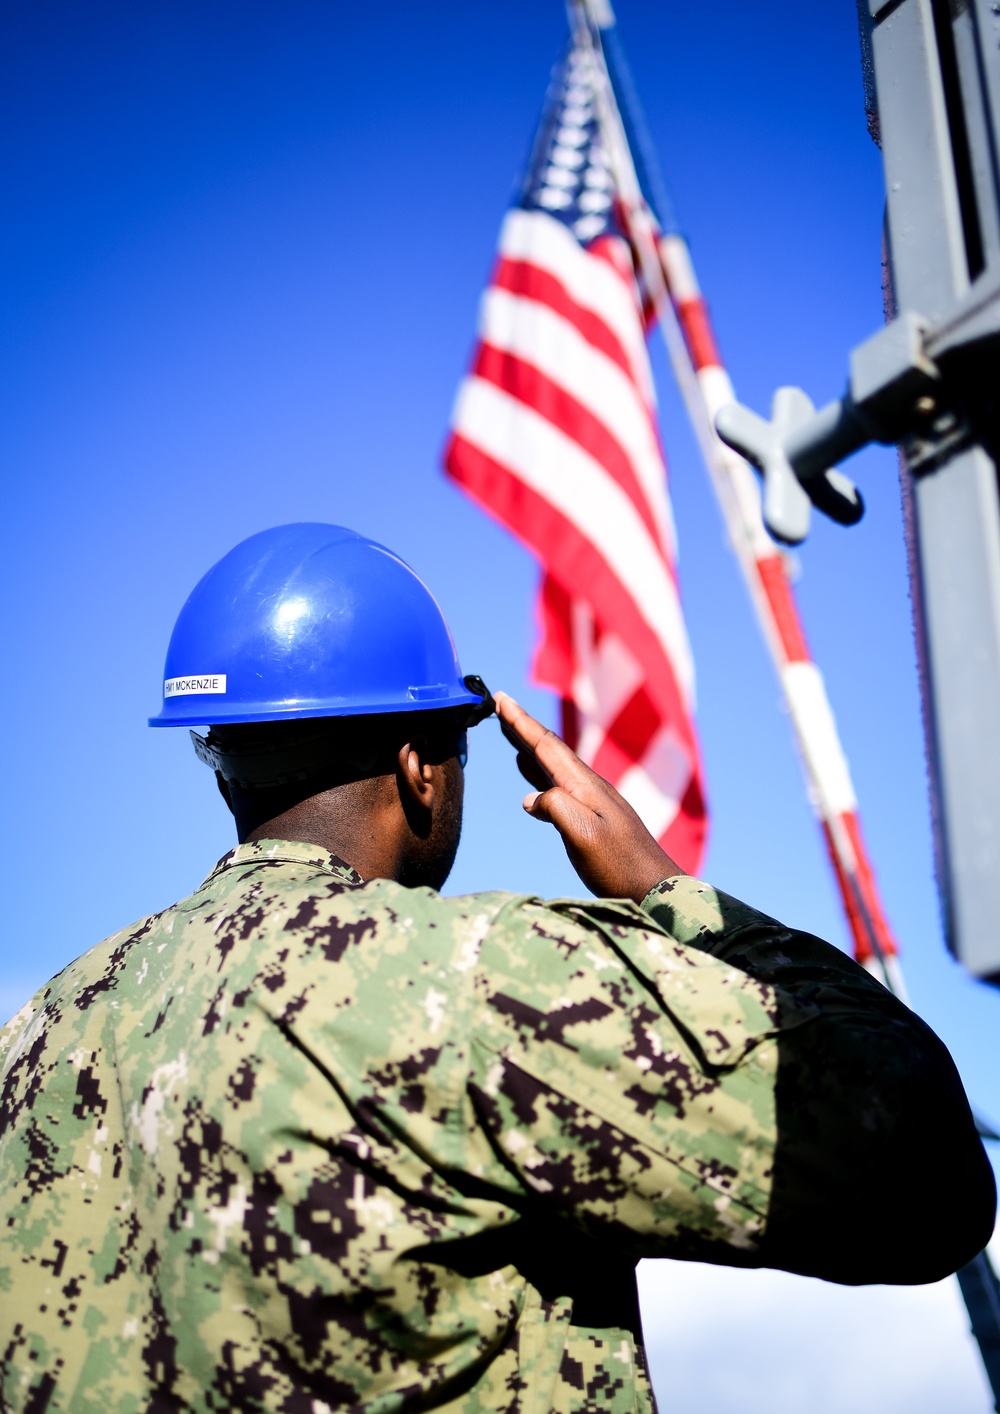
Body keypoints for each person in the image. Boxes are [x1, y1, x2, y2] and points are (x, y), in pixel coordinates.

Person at [0, 523, 993, 1414]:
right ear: (419, 768)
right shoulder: (470, 977)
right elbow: (920, 1174)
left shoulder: (38, 1036)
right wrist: (662, 890)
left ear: (220, 756)